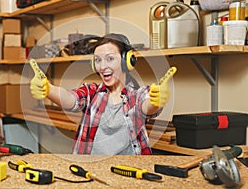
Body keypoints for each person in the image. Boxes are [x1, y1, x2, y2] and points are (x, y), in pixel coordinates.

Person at [30, 33, 171, 155]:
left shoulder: (137, 95)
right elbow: (70, 99)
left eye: (110, 59)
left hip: (128, 170)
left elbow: (147, 105)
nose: (102, 67)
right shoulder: (92, 93)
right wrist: (48, 89)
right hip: (91, 168)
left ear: (127, 60)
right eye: (98, 60)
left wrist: (156, 101)